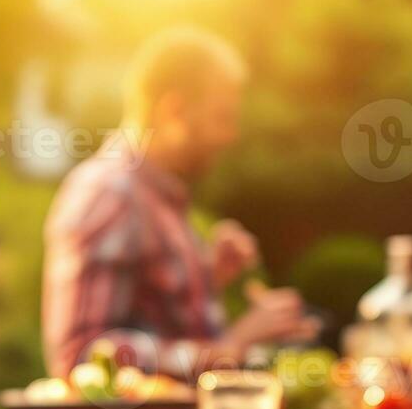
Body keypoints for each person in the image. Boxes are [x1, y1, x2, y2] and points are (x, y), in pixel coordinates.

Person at [42, 27, 319, 379]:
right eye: (220, 118)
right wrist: (230, 347)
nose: (229, 136)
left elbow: (151, 322)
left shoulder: (158, 196)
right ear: (173, 111)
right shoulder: (110, 193)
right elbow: (79, 358)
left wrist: (207, 277)